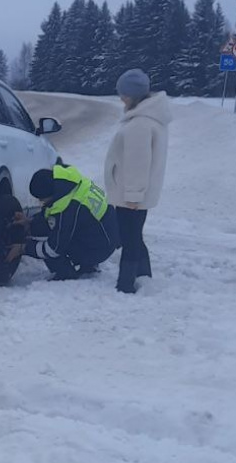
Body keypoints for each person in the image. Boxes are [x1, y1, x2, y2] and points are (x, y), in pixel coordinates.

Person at [105, 68, 172, 294]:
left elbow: (137, 164)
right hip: (136, 192)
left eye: (123, 93)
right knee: (134, 234)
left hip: (131, 194)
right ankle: (143, 275)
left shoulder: (140, 125)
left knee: (129, 238)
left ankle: (125, 284)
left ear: (133, 95)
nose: (120, 98)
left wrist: (133, 196)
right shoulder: (149, 119)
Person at [5, 165, 121, 281]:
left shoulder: (69, 209)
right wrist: (29, 222)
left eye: (42, 199)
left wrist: (23, 248)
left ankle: (66, 273)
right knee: (59, 230)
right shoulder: (69, 184)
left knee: (49, 245)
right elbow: (52, 215)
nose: (40, 202)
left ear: (50, 195)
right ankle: (88, 263)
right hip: (106, 233)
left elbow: (54, 248)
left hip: (100, 248)